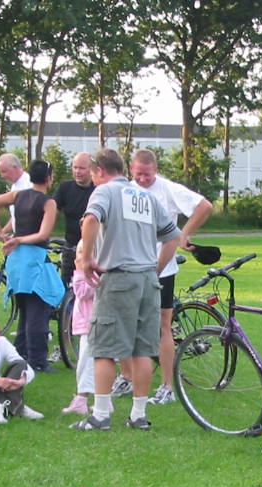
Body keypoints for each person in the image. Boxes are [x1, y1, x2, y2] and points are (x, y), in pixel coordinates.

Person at [71, 147, 180, 431]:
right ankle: (138, 415)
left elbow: (91, 219)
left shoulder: (105, 192)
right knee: (142, 350)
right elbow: (173, 236)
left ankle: (101, 415)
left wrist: (86, 260)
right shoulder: (146, 197)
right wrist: (155, 269)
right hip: (148, 282)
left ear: (99, 171)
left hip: (118, 278)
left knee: (104, 349)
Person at [112, 147, 214, 406]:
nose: (143, 179)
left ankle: (167, 386)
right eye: (138, 174)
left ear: (156, 170)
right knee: (125, 321)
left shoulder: (168, 189)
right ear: (130, 170)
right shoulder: (125, 190)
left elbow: (204, 206)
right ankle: (127, 376)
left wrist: (183, 234)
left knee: (162, 325)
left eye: (147, 174)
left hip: (161, 267)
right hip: (130, 265)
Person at [0, 159, 64, 372]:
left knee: (25, 310)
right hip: (33, 257)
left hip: (16, 260)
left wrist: (1, 232)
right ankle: (37, 360)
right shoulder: (48, 202)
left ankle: (20, 354)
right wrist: (19, 239)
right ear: (49, 178)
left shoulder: (18, 195)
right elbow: (43, 234)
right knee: (39, 309)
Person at [51, 151, 95, 287]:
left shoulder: (98, 190)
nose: (77, 171)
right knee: (66, 285)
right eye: (75, 167)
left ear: (91, 169)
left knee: (90, 287)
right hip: (70, 246)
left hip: (93, 248)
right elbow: (52, 213)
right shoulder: (65, 188)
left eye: (82, 168)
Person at [61, 251, 95, 416]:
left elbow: (82, 292)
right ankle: (103, 399)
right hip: (88, 325)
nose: (78, 258)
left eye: (83, 253)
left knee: (86, 363)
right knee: (92, 362)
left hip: (91, 326)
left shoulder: (88, 277)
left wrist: (80, 273)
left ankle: (82, 398)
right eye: (79, 253)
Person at [0, 153, 31, 240]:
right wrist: (1, 232)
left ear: (15, 167)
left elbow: (29, 216)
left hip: (29, 239)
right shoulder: (15, 185)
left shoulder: (28, 184)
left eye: (4, 171)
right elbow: (15, 218)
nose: (2, 176)